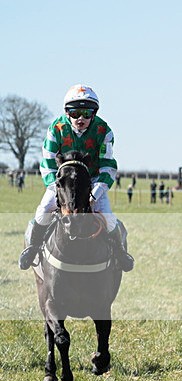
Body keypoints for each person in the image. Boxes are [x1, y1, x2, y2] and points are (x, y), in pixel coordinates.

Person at [18, 84, 134, 272]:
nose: (81, 118)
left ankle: (120, 253)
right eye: (75, 113)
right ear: (67, 112)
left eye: (86, 113)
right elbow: (47, 163)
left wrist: (95, 193)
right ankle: (32, 249)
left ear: (94, 114)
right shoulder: (56, 128)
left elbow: (107, 166)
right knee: (44, 210)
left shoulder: (104, 131)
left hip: (93, 180)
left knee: (109, 218)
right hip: (63, 183)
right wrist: (57, 190)